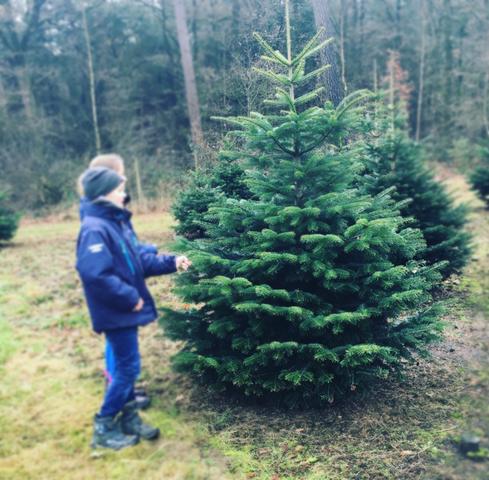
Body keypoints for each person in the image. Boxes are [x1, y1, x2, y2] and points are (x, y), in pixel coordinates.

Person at [76, 166, 191, 450]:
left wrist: (172, 262)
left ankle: (129, 420)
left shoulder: (116, 223)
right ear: (103, 194)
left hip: (121, 311)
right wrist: (130, 297)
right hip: (116, 311)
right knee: (128, 368)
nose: (124, 194)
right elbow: (95, 274)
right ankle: (103, 426)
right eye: (118, 189)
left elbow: (137, 262)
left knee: (128, 366)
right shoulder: (95, 229)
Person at [78, 154, 155, 409]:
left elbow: (128, 245)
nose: (125, 186)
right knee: (119, 351)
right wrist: (130, 295)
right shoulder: (99, 221)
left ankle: (124, 391)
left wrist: (147, 250)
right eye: (121, 181)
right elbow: (98, 269)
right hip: (118, 300)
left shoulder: (106, 212)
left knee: (121, 352)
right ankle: (117, 394)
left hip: (118, 295)